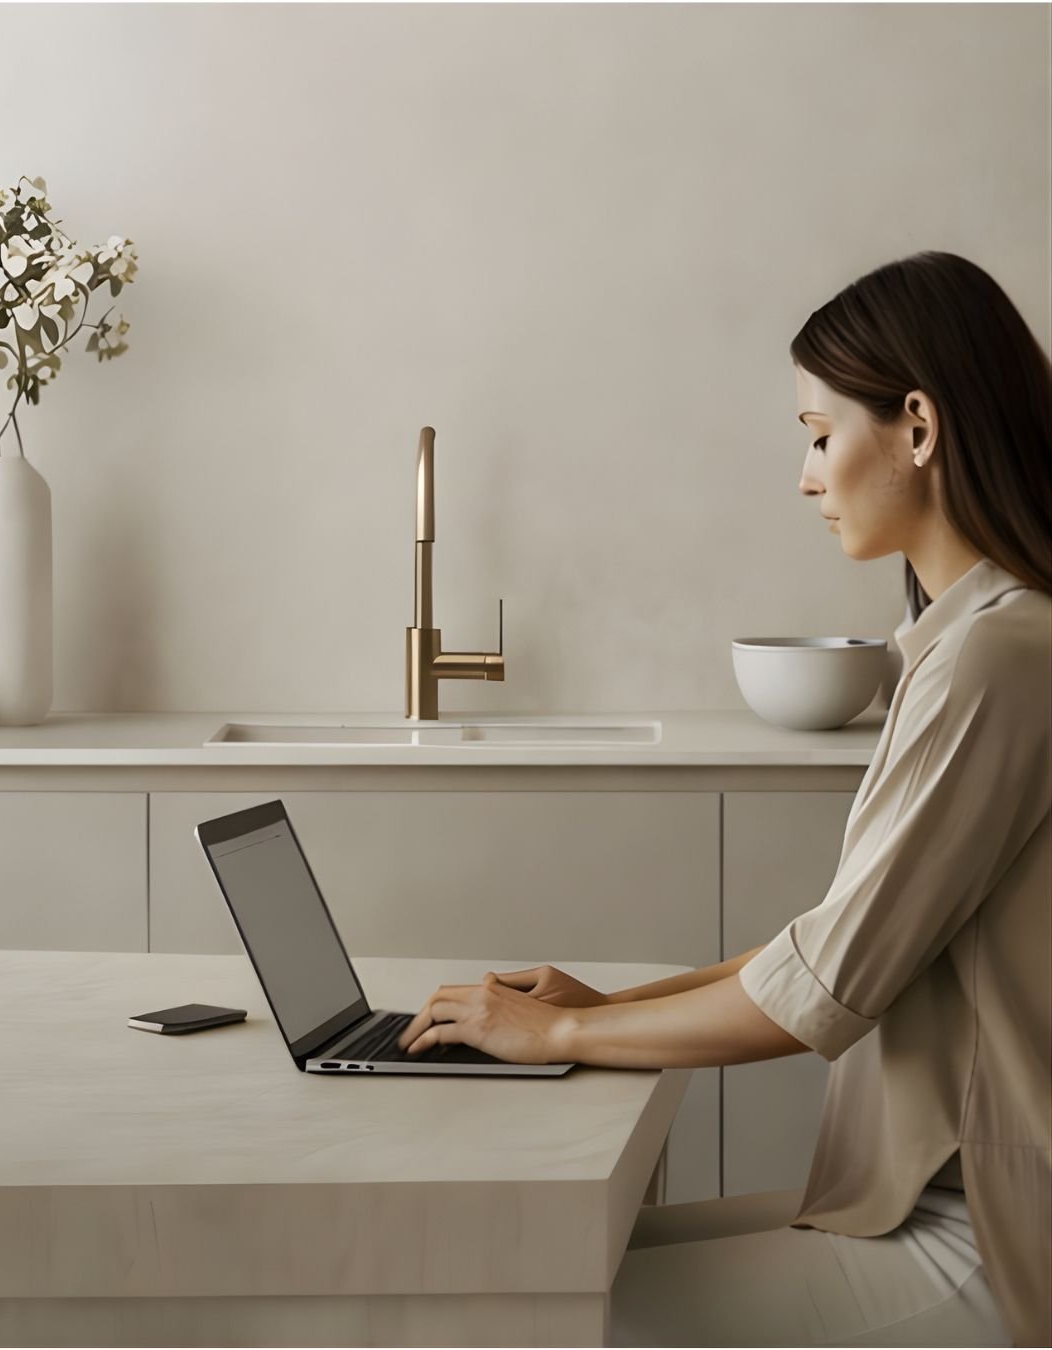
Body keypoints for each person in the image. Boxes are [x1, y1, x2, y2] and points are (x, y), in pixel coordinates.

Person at [397, 251, 1051, 1346]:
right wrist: (598, 1010)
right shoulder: (969, 647)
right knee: (523, 1271)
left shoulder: (1002, 659)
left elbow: (826, 989)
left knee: (525, 1311)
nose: (805, 475)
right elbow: (825, 948)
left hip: (983, 1235)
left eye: (818, 434)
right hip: (915, 1204)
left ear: (921, 429)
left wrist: (562, 1029)